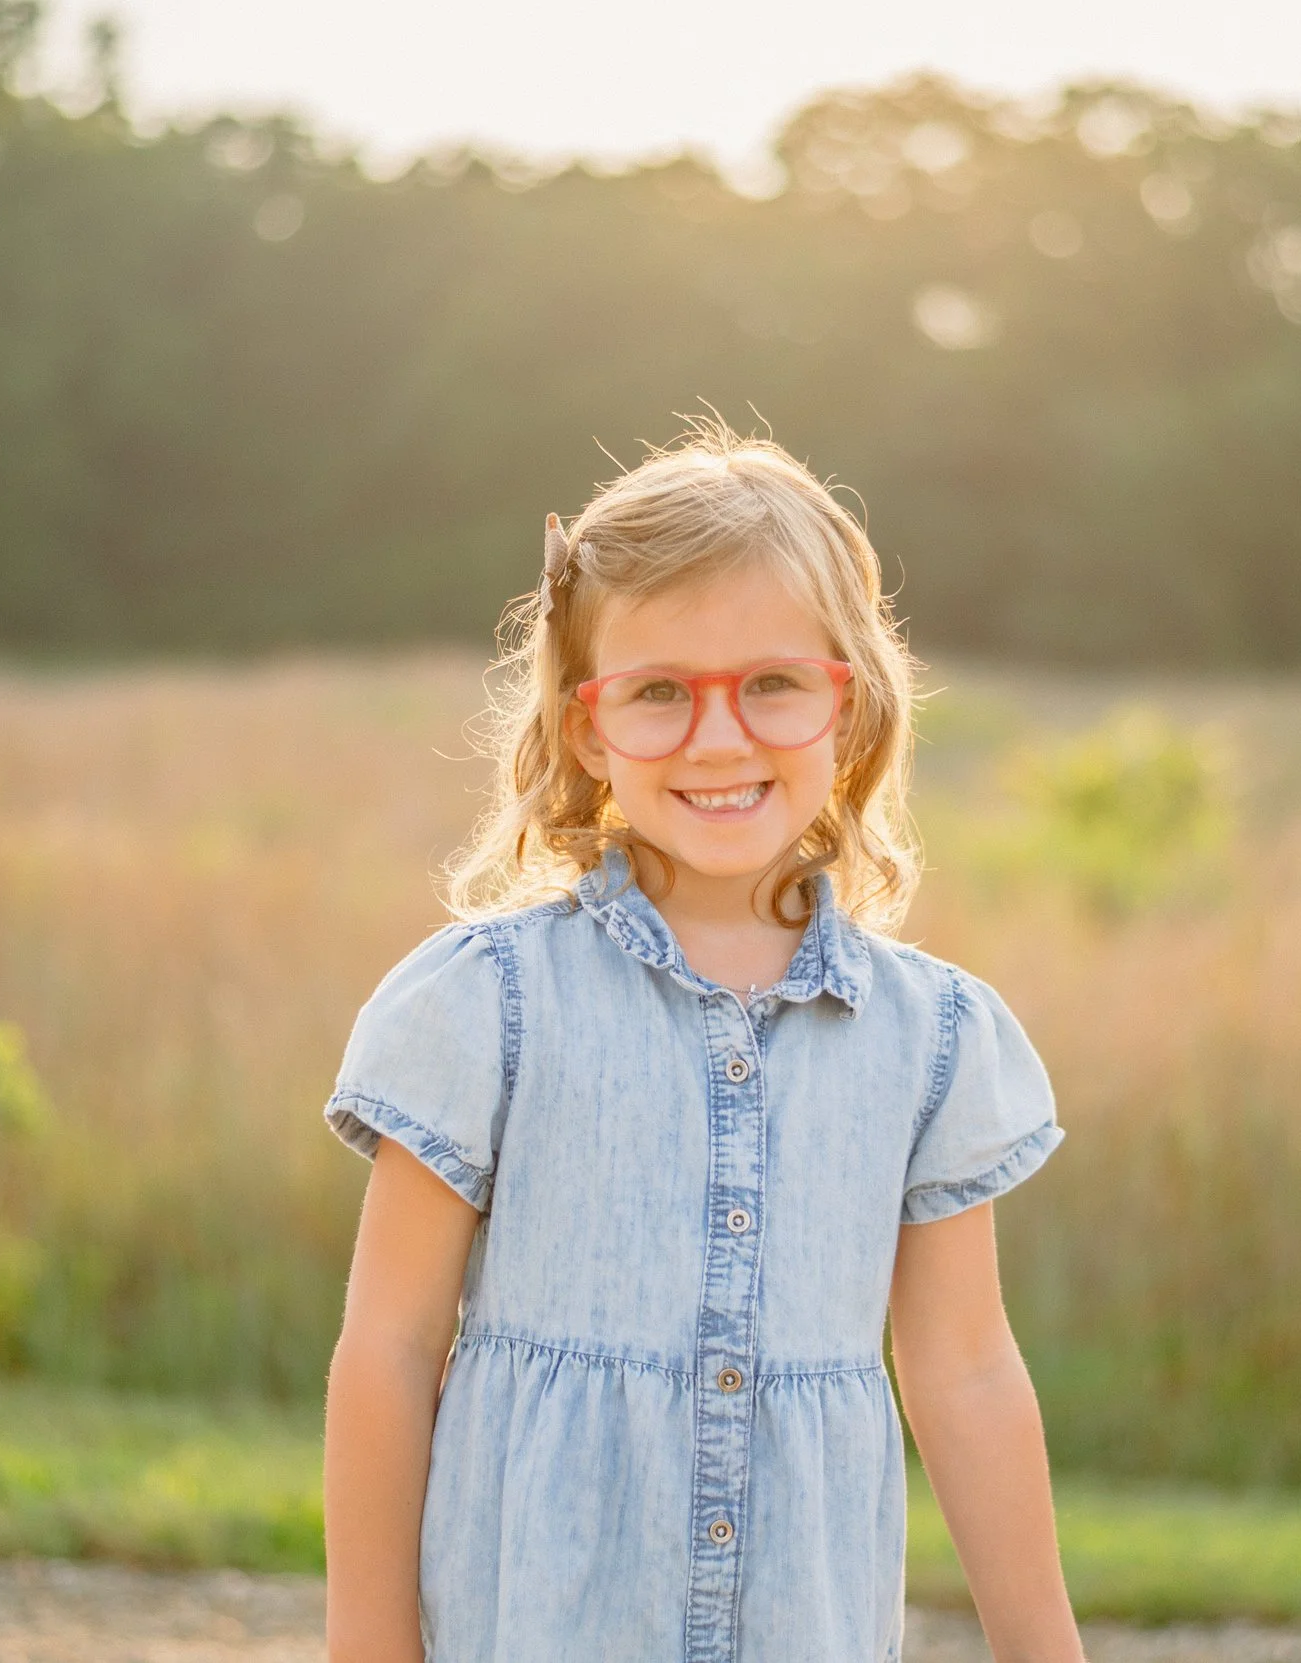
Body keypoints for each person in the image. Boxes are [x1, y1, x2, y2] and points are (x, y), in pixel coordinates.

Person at [320, 422, 1083, 1662]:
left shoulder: (932, 1038)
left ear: (849, 705)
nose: (719, 738)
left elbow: (968, 1372)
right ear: (586, 726)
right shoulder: (489, 1003)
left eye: (772, 683)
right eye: (659, 690)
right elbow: (390, 1347)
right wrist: (369, 1650)